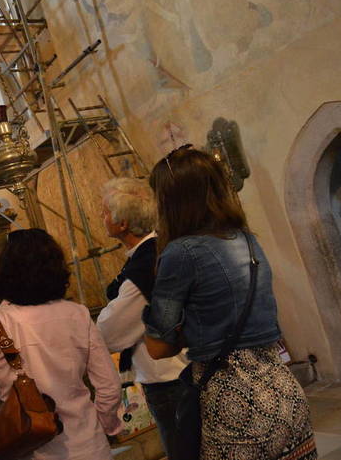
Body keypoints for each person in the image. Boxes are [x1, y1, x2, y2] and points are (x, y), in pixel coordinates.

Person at [142, 146, 317, 460]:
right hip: (284, 394)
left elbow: (157, 346)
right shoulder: (248, 240)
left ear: (170, 201)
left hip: (236, 405)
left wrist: (185, 329)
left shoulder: (180, 253)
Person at [0, 229, 122, 460]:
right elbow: (109, 387)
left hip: (27, 452)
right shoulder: (78, 315)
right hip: (89, 448)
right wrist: (101, 427)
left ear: (5, 272)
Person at [96, 177, 186, 459]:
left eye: (106, 212)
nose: (101, 217)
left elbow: (109, 332)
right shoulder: (158, 249)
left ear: (122, 223)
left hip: (170, 379)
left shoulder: (144, 267)